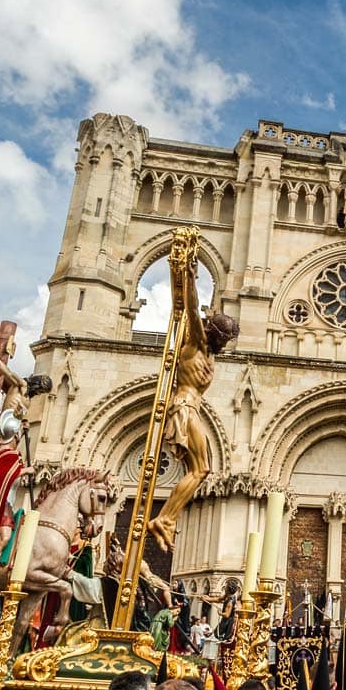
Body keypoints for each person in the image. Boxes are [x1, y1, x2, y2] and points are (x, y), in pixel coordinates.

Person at [147, 230, 241, 552]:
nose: (224, 343)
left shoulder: (210, 354)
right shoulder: (197, 343)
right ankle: (166, 519)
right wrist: (189, 277)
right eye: (223, 337)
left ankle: (167, 518)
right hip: (184, 406)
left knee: (201, 469)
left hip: (192, 407)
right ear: (213, 332)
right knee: (202, 468)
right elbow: (189, 310)